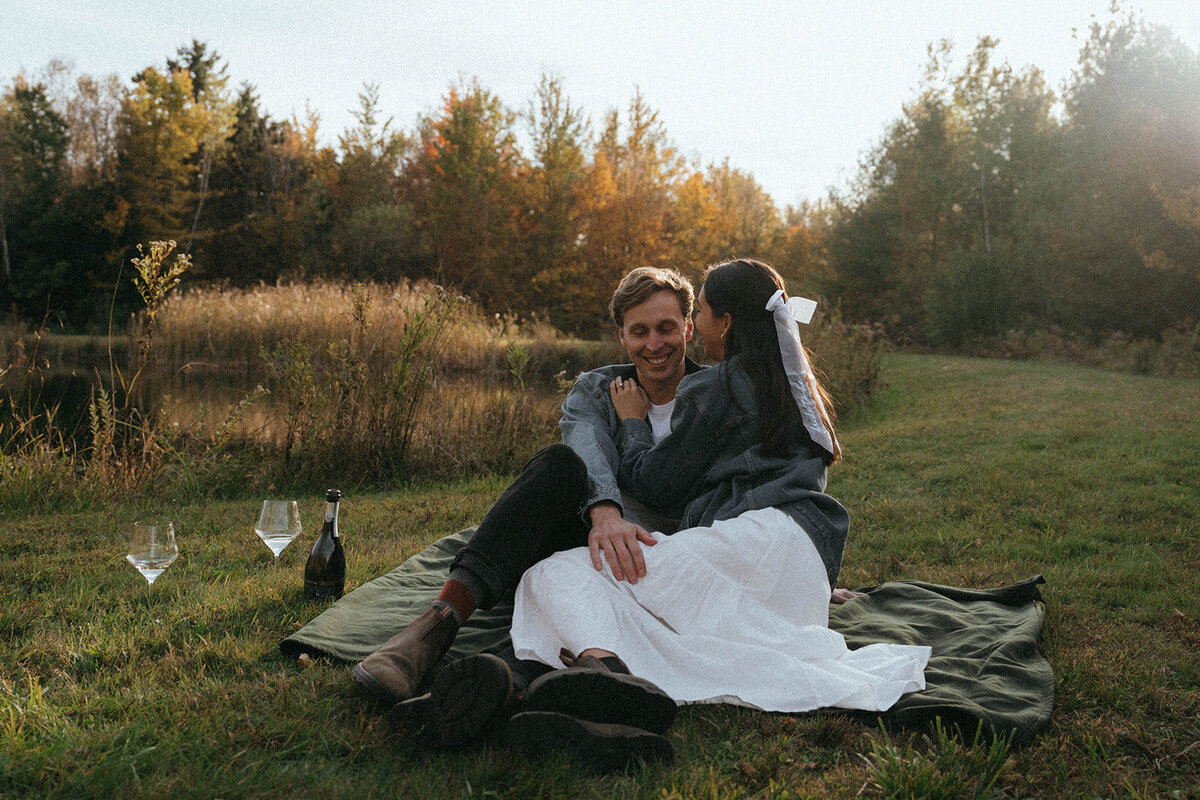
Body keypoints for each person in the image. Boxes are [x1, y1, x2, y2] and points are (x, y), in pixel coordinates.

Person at [507, 259, 930, 726]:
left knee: (553, 574)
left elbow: (655, 485)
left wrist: (632, 421)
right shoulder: (789, 384)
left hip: (756, 546)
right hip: (805, 569)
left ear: (720, 323)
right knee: (629, 597)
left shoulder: (717, 386)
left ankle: (607, 669)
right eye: (640, 331)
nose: (670, 337)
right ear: (623, 337)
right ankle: (604, 670)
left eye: (700, 313)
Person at [351, 267, 703, 755]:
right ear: (621, 335)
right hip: (585, 535)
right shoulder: (596, 388)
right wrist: (604, 509)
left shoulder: (714, 397)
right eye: (638, 331)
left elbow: (741, 485)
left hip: (654, 558)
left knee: (567, 586)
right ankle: (432, 630)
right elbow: (585, 447)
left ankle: (505, 691)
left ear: (688, 327)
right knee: (560, 464)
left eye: (666, 328)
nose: (654, 344)